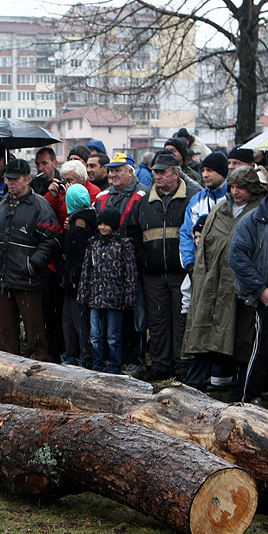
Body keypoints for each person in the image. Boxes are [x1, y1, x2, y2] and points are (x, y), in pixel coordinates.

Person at [181, 167, 265, 393]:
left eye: (242, 187)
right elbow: (204, 249)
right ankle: (194, 385)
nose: (236, 192)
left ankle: (240, 388)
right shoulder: (220, 209)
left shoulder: (259, 212)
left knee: (241, 338)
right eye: (233, 187)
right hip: (212, 284)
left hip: (242, 288)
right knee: (204, 335)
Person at [0, 157, 61, 361]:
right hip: (1, 277)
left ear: (28, 179)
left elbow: (52, 240)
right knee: (5, 330)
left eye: (16, 179)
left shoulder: (40, 206)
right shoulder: (2, 205)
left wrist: (33, 263)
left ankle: (39, 366)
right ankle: (9, 365)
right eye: (9, 179)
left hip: (28, 279)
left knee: (34, 330)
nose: (11, 182)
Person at [125, 149, 196, 380]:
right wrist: (143, 261)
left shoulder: (192, 197)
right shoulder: (144, 201)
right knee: (157, 322)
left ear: (176, 173)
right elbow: (133, 234)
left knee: (181, 322)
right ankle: (161, 365)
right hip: (153, 274)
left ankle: (182, 367)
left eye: (163, 172)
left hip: (181, 274)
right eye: (155, 172)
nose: (158, 176)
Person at [78, 209, 137, 374]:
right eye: (101, 224)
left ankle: (114, 367)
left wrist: (129, 297)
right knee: (95, 335)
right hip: (95, 297)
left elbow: (130, 273)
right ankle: (97, 365)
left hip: (115, 298)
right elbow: (86, 271)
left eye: (106, 224)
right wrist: (83, 294)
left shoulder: (123, 244)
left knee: (113, 336)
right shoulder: (93, 243)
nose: (103, 228)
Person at [229, 173, 268, 403]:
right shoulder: (253, 220)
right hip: (264, 294)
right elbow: (237, 258)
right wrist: (260, 290)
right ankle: (250, 396)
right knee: (262, 349)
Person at [58, 184, 97, 367]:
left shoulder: (79, 226)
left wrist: (72, 276)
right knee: (72, 319)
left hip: (75, 282)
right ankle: (75, 353)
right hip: (75, 281)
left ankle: (81, 356)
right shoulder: (84, 220)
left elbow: (79, 255)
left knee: (77, 320)